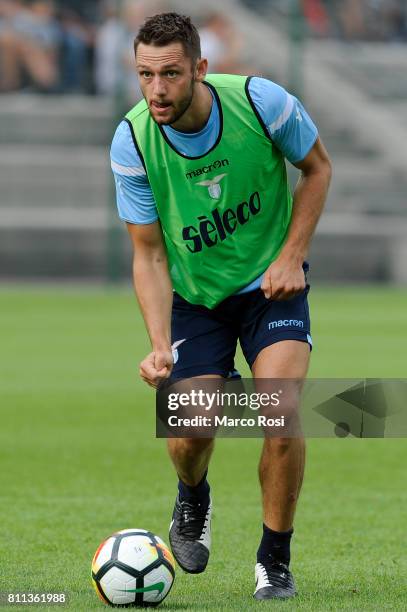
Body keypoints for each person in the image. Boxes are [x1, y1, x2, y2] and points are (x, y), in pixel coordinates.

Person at [110, 12, 332, 600]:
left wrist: (292, 256)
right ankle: (193, 496)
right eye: (145, 74)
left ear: (201, 69)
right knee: (189, 431)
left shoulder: (264, 104)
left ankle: (274, 561)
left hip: (271, 288)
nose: (157, 89)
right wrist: (160, 344)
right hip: (195, 300)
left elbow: (317, 169)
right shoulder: (132, 141)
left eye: (171, 74)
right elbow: (149, 254)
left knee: (280, 414)